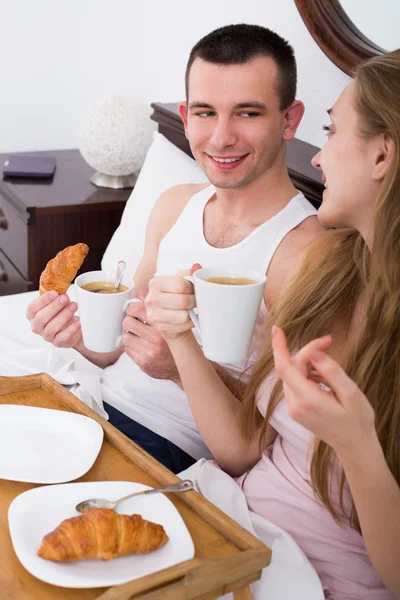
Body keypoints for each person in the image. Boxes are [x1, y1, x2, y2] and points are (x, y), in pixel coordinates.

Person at [145, 50, 400, 599]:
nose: (320, 158)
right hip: (235, 526)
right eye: (205, 113)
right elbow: (251, 447)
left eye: (332, 131)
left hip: (313, 574)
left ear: (383, 154)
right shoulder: (337, 274)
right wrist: (179, 337)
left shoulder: (302, 258)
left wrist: (357, 446)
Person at [25, 24, 323, 473]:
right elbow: (117, 349)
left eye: (247, 113)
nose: (221, 138)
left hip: (168, 447)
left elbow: (249, 448)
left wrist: (179, 366)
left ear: (289, 120)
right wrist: (77, 336)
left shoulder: (306, 254)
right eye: (205, 113)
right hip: (92, 402)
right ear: (184, 117)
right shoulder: (175, 205)